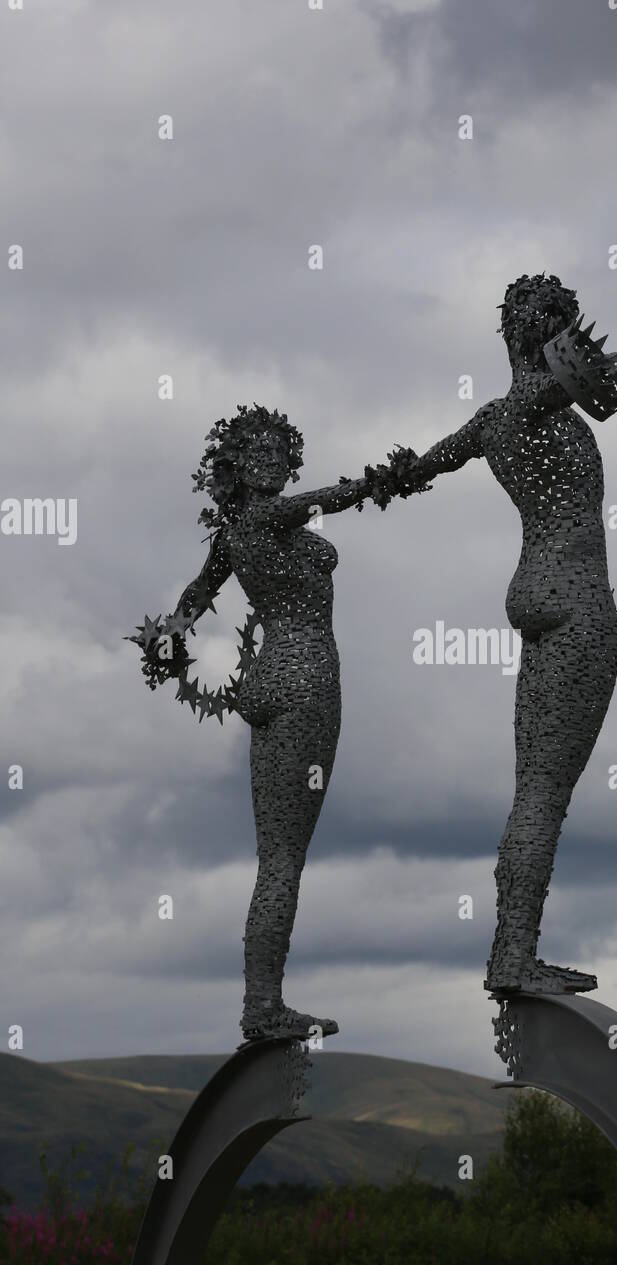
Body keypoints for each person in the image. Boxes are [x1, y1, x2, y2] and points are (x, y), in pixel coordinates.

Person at [130, 403, 422, 1039]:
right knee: (286, 859)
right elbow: (326, 500)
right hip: (307, 674)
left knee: (275, 856)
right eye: (257, 448)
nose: (271, 458)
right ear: (238, 462)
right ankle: (263, 1006)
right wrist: (380, 482)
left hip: (265, 682)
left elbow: (190, 602)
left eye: (276, 447)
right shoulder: (266, 515)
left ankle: (261, 999)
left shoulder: (231, 537)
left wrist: (168, 650)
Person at [396, 274, 617, 994]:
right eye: (561, 318)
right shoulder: (541, 402)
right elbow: (579, 383)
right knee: (544, 795)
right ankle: (514, 956)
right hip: (576, 599)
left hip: (531, 591)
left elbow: (423, 466)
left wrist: (376, 483)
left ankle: (512, 949)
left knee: (530, 789)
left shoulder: (491, 420)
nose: (573, 329)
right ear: (542, 331)